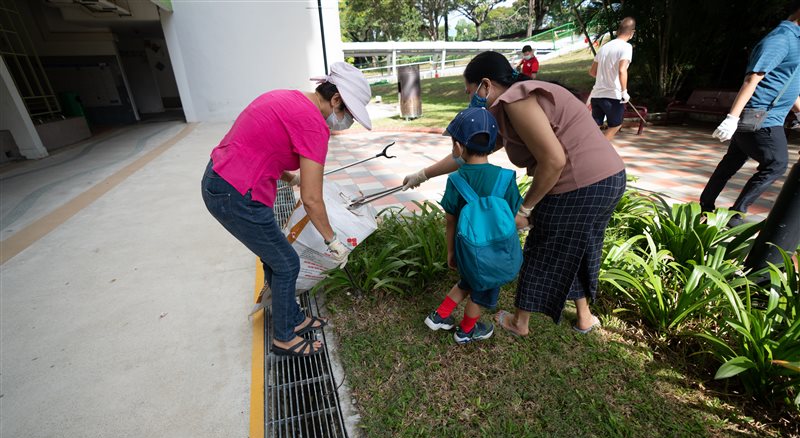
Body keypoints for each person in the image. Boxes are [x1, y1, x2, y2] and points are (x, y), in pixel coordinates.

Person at [404, 51, 626, 335]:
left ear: (486, 84)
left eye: (470, 91)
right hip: (609, 179)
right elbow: (468, 153)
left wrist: (525, 209)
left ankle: (520, 322)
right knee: (575, 247)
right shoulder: (508, 108)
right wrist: (423, 174)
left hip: (579, 184)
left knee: (540, 248)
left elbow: (554, 161)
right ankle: (584, 317)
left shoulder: (516, 99)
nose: (470, 99)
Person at [201, 62, 371, 357]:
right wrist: (333, 241)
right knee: (287, 264)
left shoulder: (289, 98)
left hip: (221, 179)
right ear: (335, 100)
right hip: (237, 193)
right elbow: (312, 199)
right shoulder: (314, 125)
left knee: (276, 258)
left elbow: (261, 142)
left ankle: (292, 317)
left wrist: (288, 176)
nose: (347, 122)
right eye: (349, 114)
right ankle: (284, 338)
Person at [424, 107, 522, 343]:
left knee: (466, 281)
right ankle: (466, 331)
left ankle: (439, 316)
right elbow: (513, 215)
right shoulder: (506, 178)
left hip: (467, 249)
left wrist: (451, 252)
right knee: (479, 294)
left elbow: (450, 221)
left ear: (458, 147)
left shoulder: (456, 180)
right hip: (495, 252)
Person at [699, 5, 800, 226]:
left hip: (765, 116)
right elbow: (752, 78)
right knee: (777, 163)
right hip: (760, 116)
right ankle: (735, 215)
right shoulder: (782, 39)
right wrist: (732, 118)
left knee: (731, 162)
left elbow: (787, 85)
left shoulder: (795, 41)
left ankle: (705, 208)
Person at [588, 17, 636, 140]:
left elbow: (592, 72)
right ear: (632, 32)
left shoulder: (604, 47)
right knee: (615, 125)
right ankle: (601, 147)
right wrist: (624, 91)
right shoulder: (626, 47)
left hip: (597, 95)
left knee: (595, 126)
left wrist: (604, 76)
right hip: (612, 95)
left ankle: (589, 146)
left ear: (618, 31)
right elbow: (622, 70)